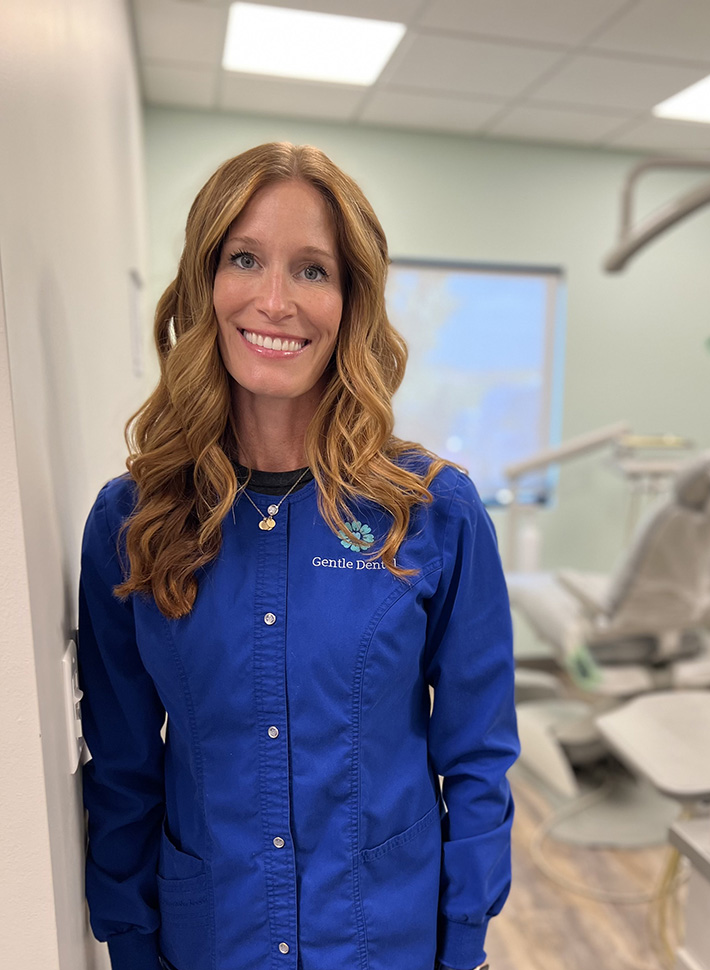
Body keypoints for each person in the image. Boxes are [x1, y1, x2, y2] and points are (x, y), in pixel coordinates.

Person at [78, 142, 519, 970]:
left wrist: (463, 945)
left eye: (312, 270)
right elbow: (124, 769)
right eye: (245, 259)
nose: (275, 300)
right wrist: (131, 946)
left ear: (350, 302)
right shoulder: (134, 520)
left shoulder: (431, 513)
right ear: (205, 283)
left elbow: (478, 758)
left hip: (388, 942)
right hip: (211, 940)